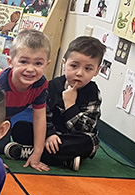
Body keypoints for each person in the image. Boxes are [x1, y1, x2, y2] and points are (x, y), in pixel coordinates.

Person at [42, 36, 107, 171]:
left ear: (97, 71)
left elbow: (85, 129)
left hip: (73, 138)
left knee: (89, 143)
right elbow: (43, 115)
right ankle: (65, 159)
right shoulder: (53, 85)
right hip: (52, 136)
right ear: (64, 64)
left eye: (88, 69)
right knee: (21, 128)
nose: (79, 73)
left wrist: (70, 106)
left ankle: (34, 152)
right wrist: (50, 133)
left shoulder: (92, 93)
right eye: (74, 66)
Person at [0, 29, 51, 172]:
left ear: (46, 65)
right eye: (24, 62)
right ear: (10, 62)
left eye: (38, 63)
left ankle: (24, 150)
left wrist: (37, 153)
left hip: (5, 121)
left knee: (3, 145)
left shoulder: (40, 84)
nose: (30, 69)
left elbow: (39, 118)